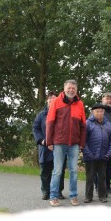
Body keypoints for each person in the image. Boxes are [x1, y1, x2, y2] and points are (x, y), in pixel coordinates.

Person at [46, 79, 86, 207]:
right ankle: (53, 196)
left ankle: (73, 195)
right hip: (59, 142)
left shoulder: (80, 104)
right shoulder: (56, 101)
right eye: (69, 88)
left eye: (73, 88)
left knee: (74, 171)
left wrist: (82, 143)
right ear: (64, 88)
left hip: (74, 143)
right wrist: (49, 141)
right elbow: (50, 122)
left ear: (76, 89)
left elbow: (83, 125)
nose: (71, 90)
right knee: (57, 171)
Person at [32, 91, 66, 200]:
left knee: (59, 171)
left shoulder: (62, 114)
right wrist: (41, 140)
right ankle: (46, 191)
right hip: (45, 147)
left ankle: (58, 191)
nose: (52, 100)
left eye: (54, 98)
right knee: (45, 172)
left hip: (59, 147)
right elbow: (36, 128)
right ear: (47, 101)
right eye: (50, 98)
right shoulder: (41, 115)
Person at [83, 103, 111, 203]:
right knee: (90, 178)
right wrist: (88, 153)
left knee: (102, 177)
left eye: (101, 111)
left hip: (103, 156)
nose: (100, 113)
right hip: (90, 156)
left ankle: (102, 196)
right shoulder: (88, 123)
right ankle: (88, 196)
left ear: (104, 112)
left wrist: (109, 153)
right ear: (93, 112)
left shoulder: (109, 125)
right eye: (97, 111)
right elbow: (83, 140)